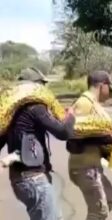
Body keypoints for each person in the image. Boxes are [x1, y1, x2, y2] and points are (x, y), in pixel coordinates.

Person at [0, 67, 76, 220]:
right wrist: (70, 117)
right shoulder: (35, 107)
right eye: (42, 85)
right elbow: (63, 133)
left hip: (20, 179)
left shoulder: (9, 112)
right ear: (36, 86)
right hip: (34, 179)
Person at [66, 70, 112, 220]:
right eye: (109, 89)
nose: (109, 93)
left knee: (110, 198)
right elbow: (74, 139)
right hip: (84, 168)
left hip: (94, 167)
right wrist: (110, 139)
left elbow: (99, 138)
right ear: (103, 85)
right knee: (99, 212)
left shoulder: (95, 105)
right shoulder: (84, 103)